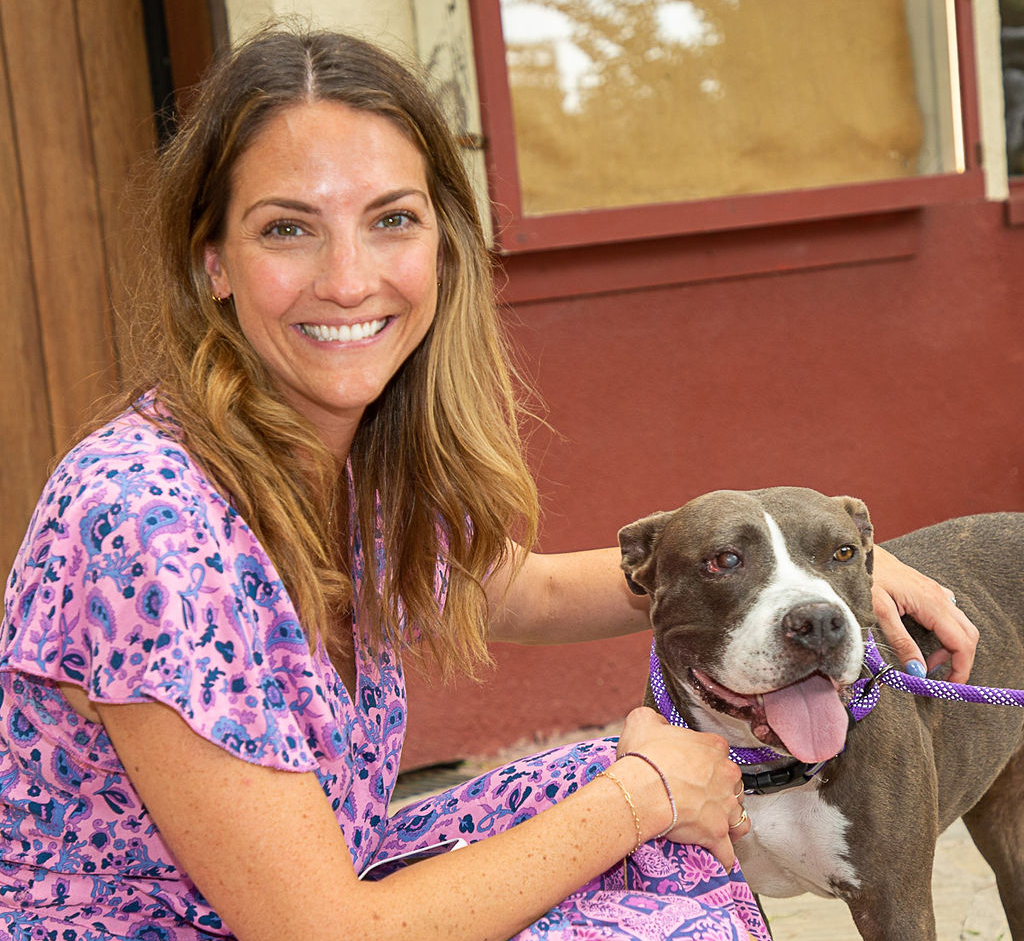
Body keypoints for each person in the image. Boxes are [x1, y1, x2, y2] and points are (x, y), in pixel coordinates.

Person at [0, 26, 977, 941]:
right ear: (212, 260)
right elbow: (320, 929)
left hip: (328, 880)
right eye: (288, 229)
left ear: (442, 244)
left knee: (664, 837)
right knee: (647, 812)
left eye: (391, 219)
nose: (348, 278)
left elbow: (526, 587)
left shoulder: (340, 462)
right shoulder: (138, 518)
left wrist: (816, 578)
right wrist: (639, 794)